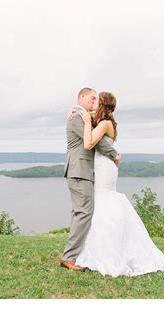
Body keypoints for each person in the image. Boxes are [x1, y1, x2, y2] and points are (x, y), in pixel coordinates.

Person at [72, 91, 164, 277]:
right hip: (102, 165)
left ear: (103, 104)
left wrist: (85, 121)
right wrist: (74, 109)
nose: (94, 103)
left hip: (105, 169)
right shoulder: (103, 120)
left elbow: (89, 143)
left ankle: (109, 252)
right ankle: (95, 248)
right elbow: (84, 112)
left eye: (97, 100)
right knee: (99, 203)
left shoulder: (105, 123)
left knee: (104, 201)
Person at [61, 87, 121, 271]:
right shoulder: (79, 117)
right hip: (79, 170)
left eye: (97, 100)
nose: (95, 102)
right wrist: (115, 154)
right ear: (83, 97)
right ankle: (69, 257)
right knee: (84, 213)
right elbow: (98, 142)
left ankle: (74, 254)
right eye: (92, 99)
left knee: (80, 212)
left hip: (83, 171)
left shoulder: (82, 115)